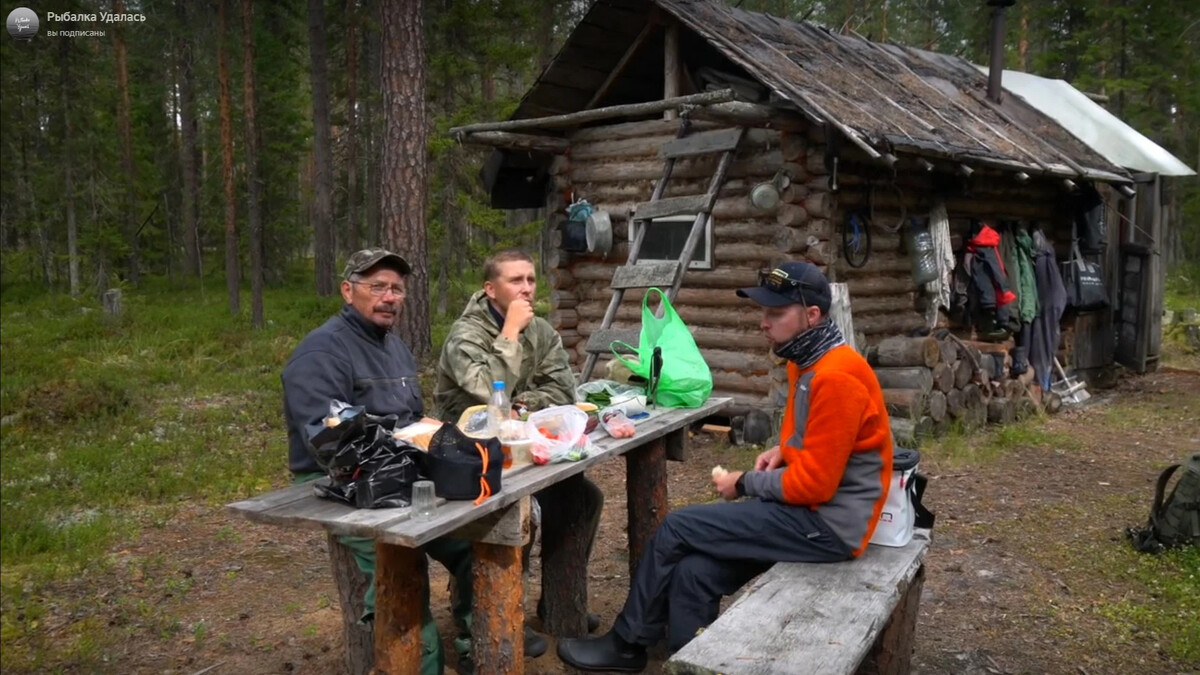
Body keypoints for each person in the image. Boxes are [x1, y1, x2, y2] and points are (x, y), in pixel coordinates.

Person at [556, 261, 893, 672]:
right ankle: (690, 661)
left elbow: (816, 486)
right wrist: (782, 452)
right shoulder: (806, 361)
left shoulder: (837, 377)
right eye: (763, 313)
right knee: (695, 572)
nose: (763, 323)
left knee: (678, 528)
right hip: (811, 515)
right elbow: (806, 435)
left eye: (775, 313)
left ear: (812, 316)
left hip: (831, 526)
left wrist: (746, 482)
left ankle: (626, 644)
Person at [283, 248, 536, 675]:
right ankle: (418, 663)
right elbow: (325, 440)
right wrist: (406, 440)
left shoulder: (394, 346)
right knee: (401, 568)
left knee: (479, 542)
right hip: (341, 483)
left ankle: (480, 649)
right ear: (348, 291)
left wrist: (428, 431)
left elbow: (407, 417)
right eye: (377, 287)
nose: (389, 297)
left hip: (402, 474)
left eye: (397, 289)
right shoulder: (322, 352)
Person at [434, 248, 604, 633]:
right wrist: (509, 333)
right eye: (516, 281)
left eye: (530, 279)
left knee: (582, 499)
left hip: (521, 445)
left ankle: (560, 608)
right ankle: (490, 619)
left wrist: (523, 405)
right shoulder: (466, 335)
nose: (527, 289)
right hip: (469, 453)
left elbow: (563, 388)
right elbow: (486, 393)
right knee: (523, 514)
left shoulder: (541, 330)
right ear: (490, 289)